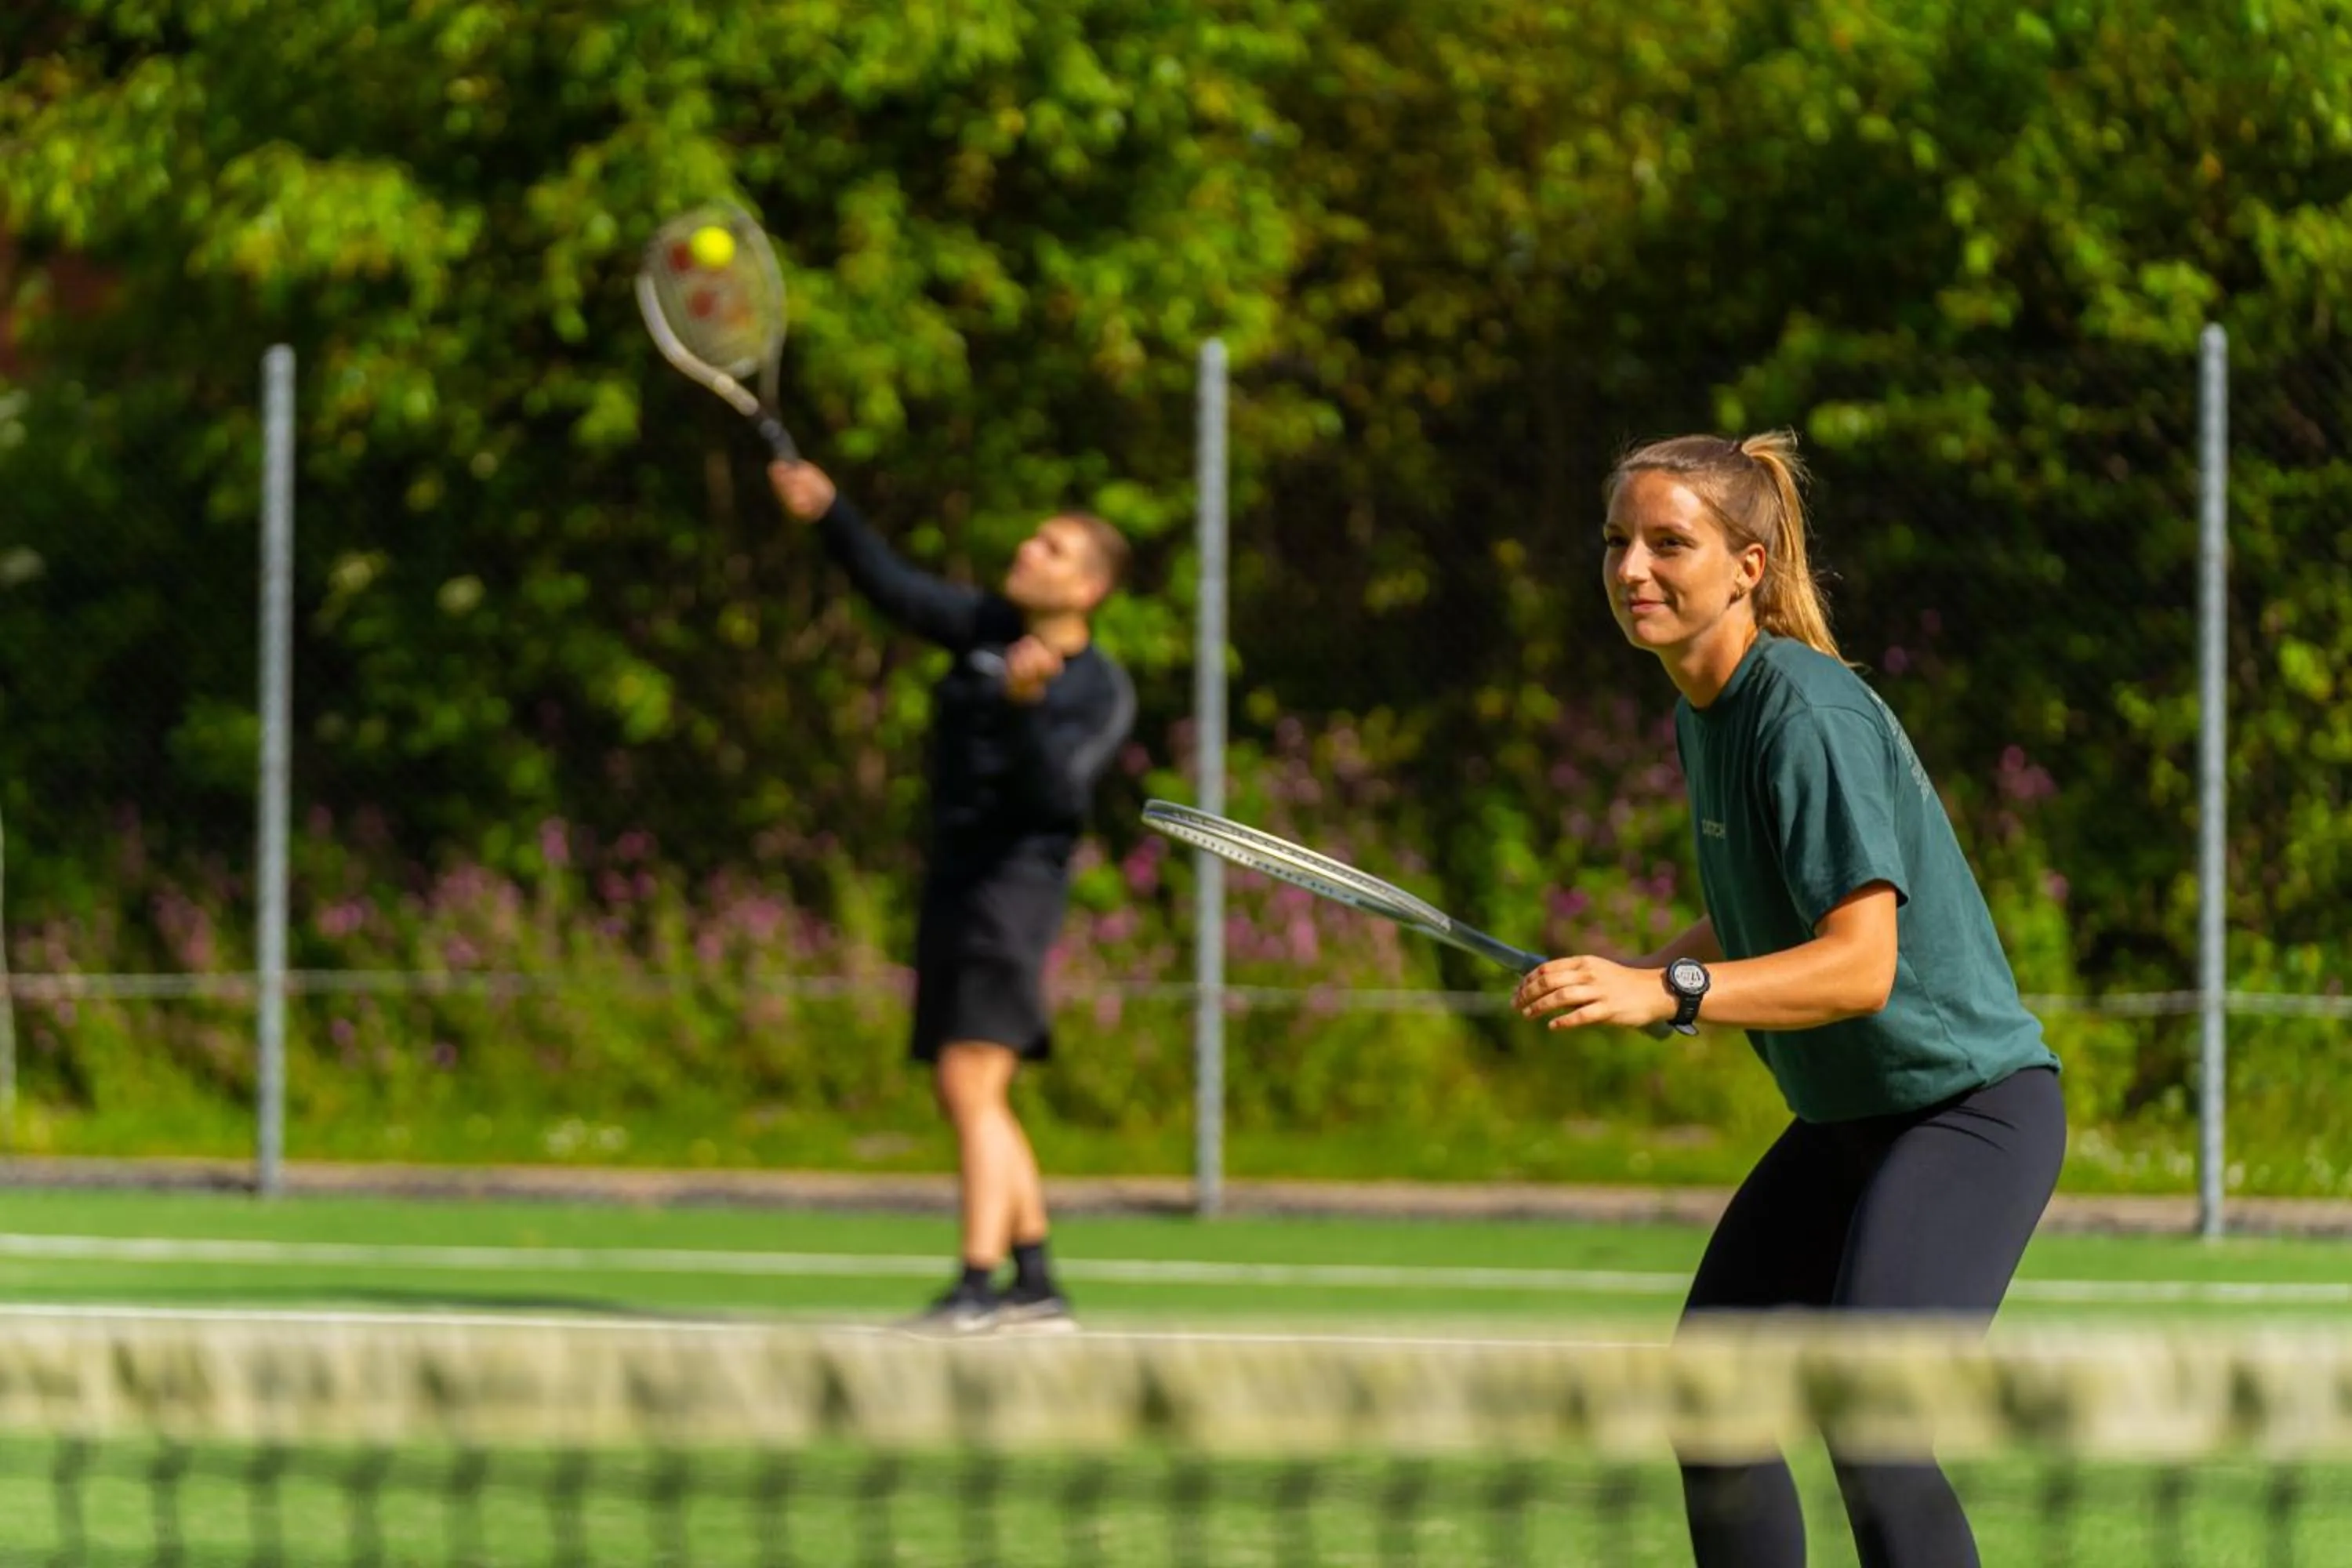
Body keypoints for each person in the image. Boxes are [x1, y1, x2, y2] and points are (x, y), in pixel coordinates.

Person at [1512, 431, 2066, 1568]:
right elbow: (1762, 904)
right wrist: (1633, 973)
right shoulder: (1702, 710)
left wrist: (1669, 992)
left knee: (1872, 1417)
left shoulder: (1805, 714)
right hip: (1846, 1121)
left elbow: (1860, 965)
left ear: (1747, 567)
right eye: (1616, 541)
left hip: (1965, 1115)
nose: (1631, 569)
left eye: (1669, 544)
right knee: (1715, 1398)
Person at [770, 456, 1136, 1337]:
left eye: (1052, 548)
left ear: (1087, 588)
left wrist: (1025, 708)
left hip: (1014, 890)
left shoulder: (1099, 688)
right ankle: (1035, 1280)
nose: (1028, 550)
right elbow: (892, 586)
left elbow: (1059, 800)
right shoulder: (985, 626)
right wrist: (830, 511)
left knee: (971, 1075)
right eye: (1033, 538)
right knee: (968, 1089)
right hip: (955, 877)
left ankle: (976, 1286)